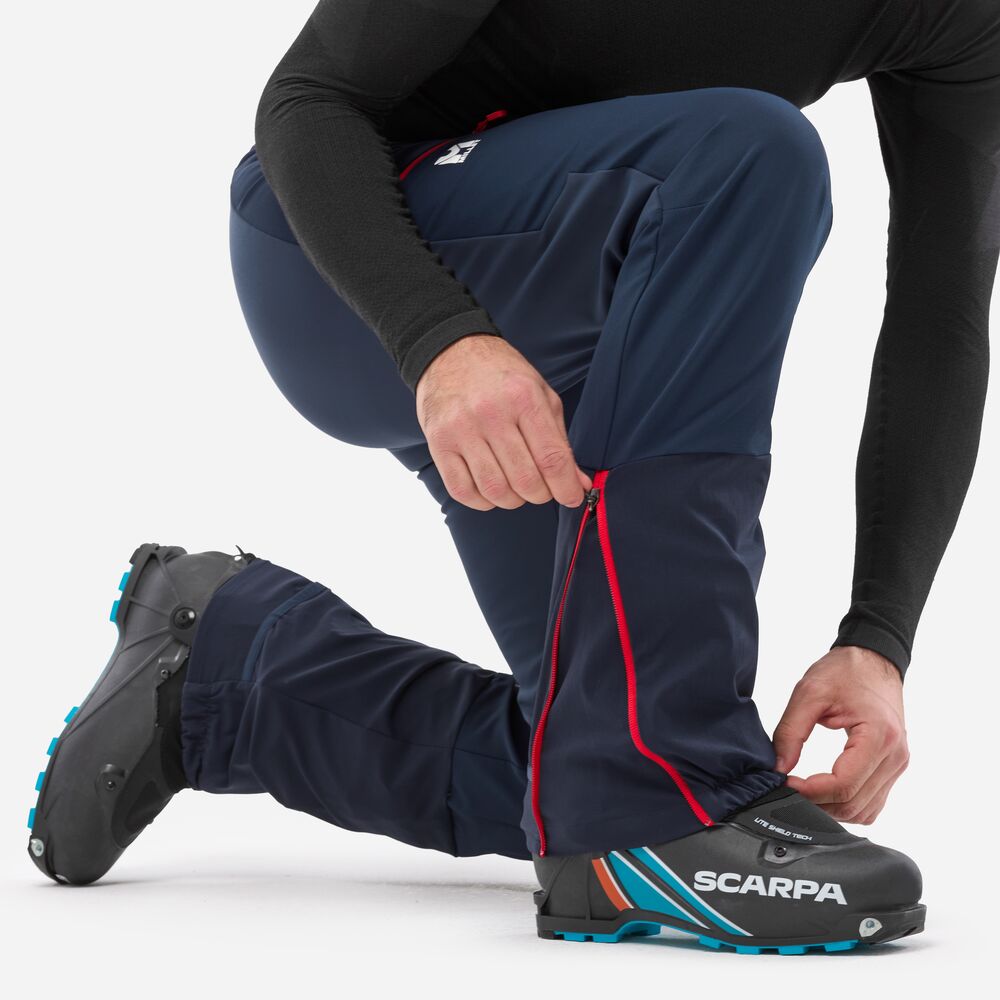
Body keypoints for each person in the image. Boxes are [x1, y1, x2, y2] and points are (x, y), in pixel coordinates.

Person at [27, 0, 998, 954]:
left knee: (600, 745)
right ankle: (665, 801)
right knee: (753, 151)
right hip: (347, 258)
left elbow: (943, 313)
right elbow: (308, 101)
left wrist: (878, 639)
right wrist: (440, 341)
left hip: (577, 303)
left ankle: (232, 676)